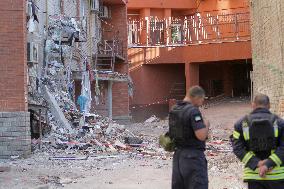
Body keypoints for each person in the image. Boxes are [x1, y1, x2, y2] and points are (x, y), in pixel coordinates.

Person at [231, 94, 284, 189]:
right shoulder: (280, 123)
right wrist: (268, 164)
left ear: (253, 105)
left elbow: (237, 148)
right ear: (269, 105)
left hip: (254, 175)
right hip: (277, 176)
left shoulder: (240, 124)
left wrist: (257, 163)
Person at [169, 86, 210, 189]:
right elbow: (201, 136)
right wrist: (206, 124)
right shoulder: (193, 111)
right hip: (193, 157)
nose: (202, 103)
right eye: (202, 99)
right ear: (196, 97)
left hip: (178, 156)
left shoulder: (175, 109)